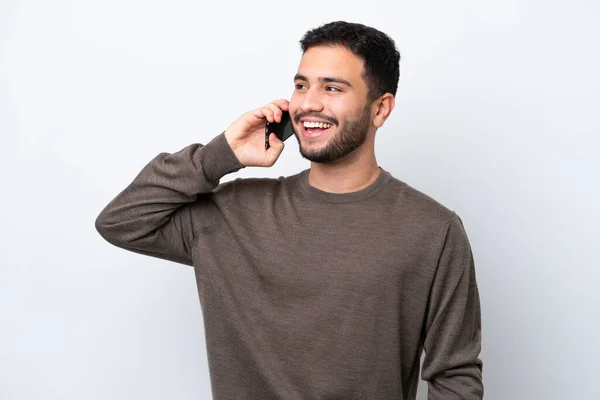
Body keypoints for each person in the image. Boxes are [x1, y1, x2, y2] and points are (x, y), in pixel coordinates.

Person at [95, 20, 483, 400]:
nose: (309, 103)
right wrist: (219, 156)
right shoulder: (234, 214)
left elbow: (455, 376)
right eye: (301, 85)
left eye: (332, 87)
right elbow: (121, 221)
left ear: (380, 109)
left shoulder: (433, 230)